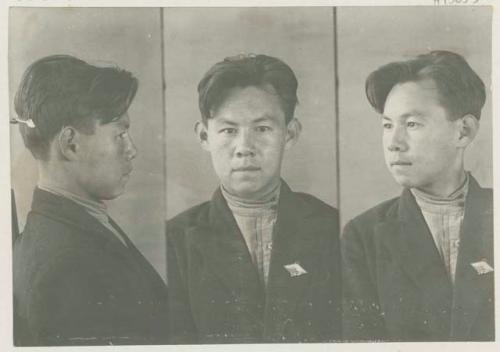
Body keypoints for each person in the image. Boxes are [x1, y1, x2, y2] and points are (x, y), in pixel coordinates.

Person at [167, 54, 341, 344]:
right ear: (204, 137)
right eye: (229, 130)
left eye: (262, 129)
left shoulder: (334, 228)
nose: (244, 148)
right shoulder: (175, 240)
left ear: (290, 133)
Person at [12, 55, 169, 346]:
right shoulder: (65, 265)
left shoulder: (72, 226)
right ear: (70, 143)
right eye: (120, 133)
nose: (132, 149)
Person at [342, 50, 493, 341]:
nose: (394, 143)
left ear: (463, 131)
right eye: (387, 125)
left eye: (412, 124)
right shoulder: (363, 237)